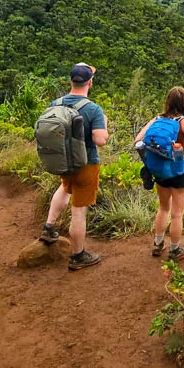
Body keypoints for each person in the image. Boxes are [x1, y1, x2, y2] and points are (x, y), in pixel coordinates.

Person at [39, 63, 108, 270]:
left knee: (64, 189)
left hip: (63, 161)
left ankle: (49, 228)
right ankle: (78, 255)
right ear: (90, 82)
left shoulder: (56, 103)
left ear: (71, 81)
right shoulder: (93, 108)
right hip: (85, 164)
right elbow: (100, 140)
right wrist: (104, 123)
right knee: (79, 211)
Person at [136, 86, 184, 261]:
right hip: (182, 170)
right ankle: (174, 250)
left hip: (160, 169)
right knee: (177, 214)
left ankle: (157, 244)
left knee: (163, 208)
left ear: (168, 102)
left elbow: (138, 140)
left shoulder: (157, 120)